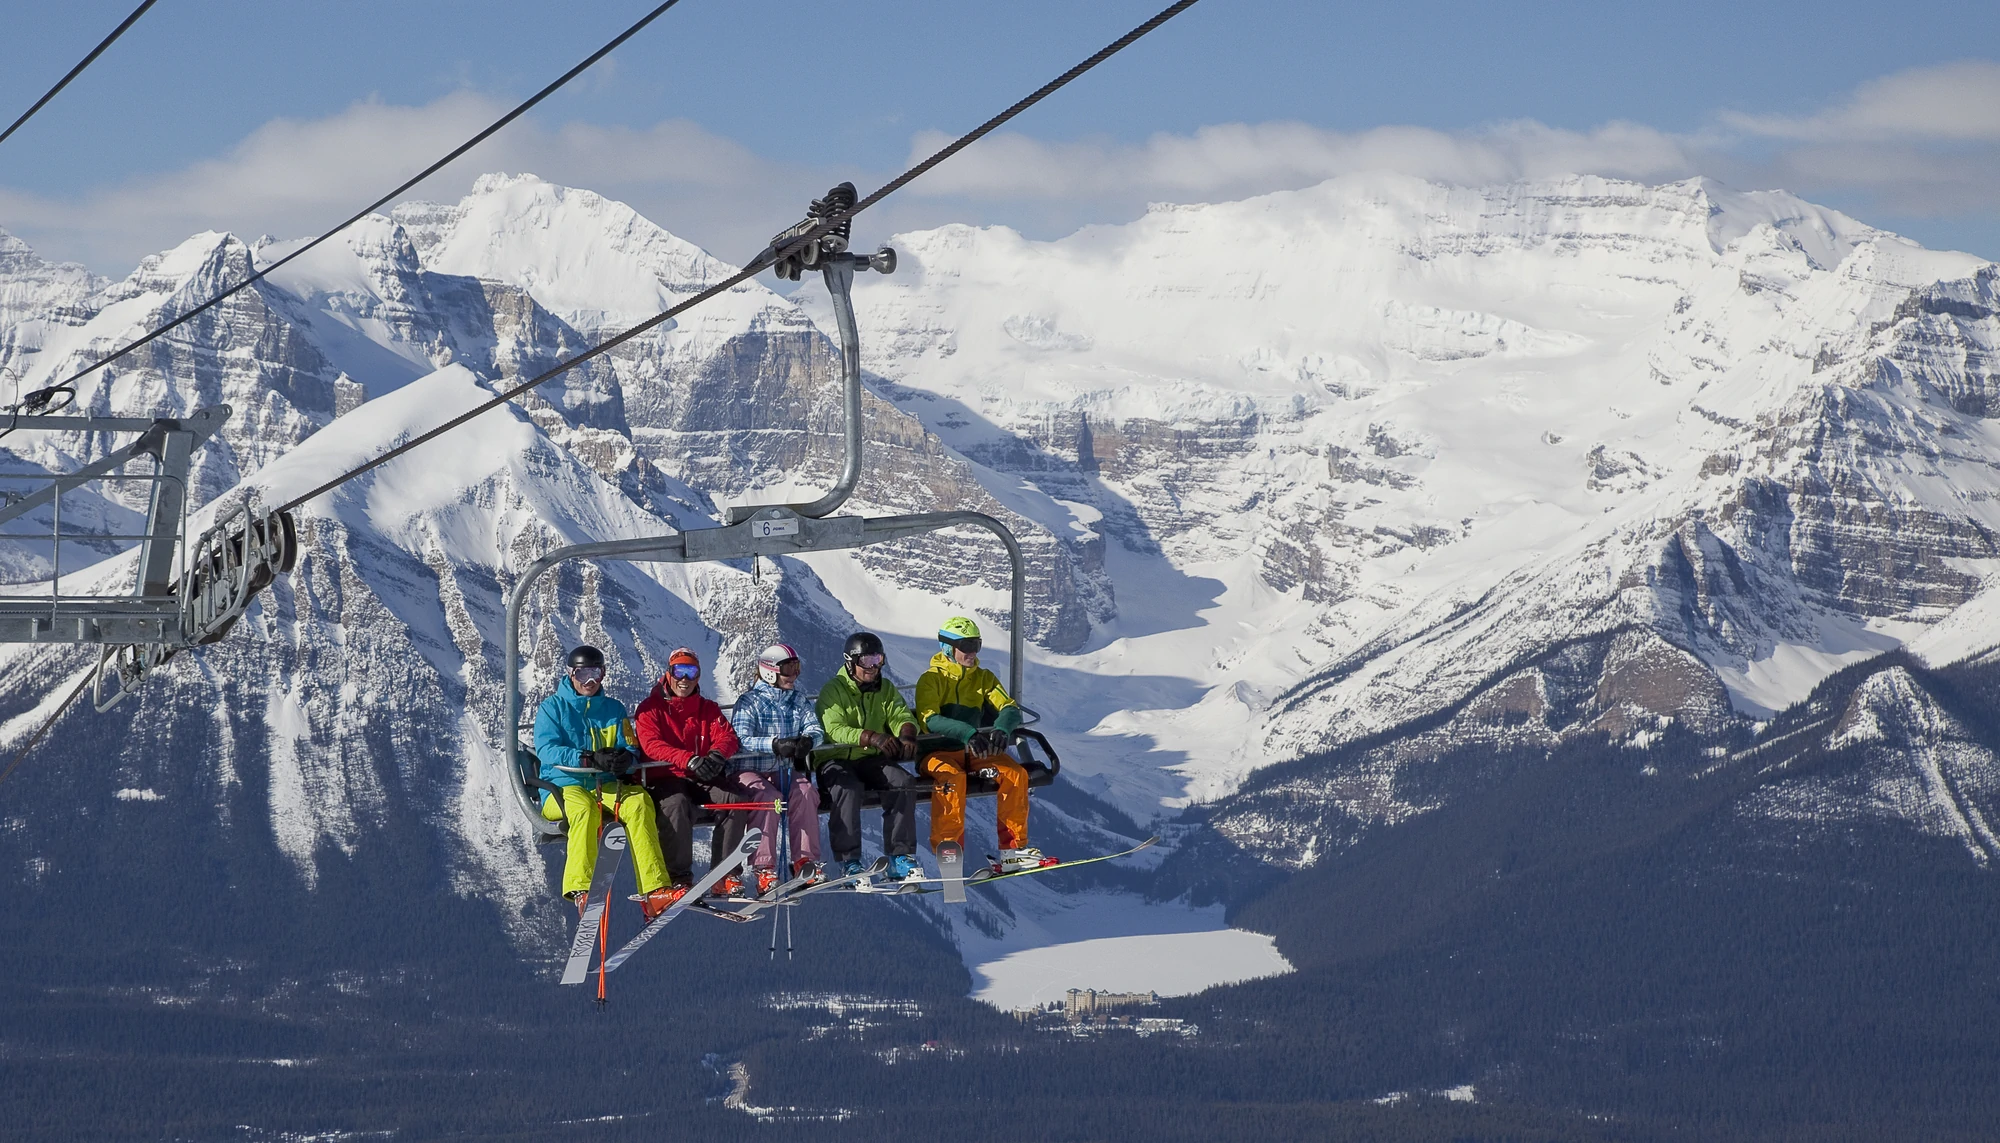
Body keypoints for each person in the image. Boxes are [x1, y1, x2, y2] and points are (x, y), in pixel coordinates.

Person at [532, 644, 681, 918]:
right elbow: (547, 749)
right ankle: (582, 889)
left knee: (638, 803)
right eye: (584, 673)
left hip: (606, 785)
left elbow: (631, 745)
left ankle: (654, 890)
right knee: (583, 811)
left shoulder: (613, 709)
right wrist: (587, 758)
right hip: (563, 786)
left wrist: (626, 758)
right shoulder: (552, 708)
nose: (591, 681)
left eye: (597, 673)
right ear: (571, 674)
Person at [915, 616, 1047, 873]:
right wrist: (967, 733)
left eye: (976, 644)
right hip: (937, 753)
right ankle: (949, 853)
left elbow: (1009, 708)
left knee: (1015, 774)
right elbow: (929, 719)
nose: (972, 652)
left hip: (974, 751)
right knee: (951, 779)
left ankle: (1012, 852)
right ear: (948, 648)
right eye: (966, 645)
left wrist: (1002, 728)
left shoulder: (984, 679)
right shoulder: (930, 680)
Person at [631, 647, 746, 893]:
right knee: (676, 805)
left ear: (698, 676)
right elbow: (651, 746)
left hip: (699, 776)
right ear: (669, 674)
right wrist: (689, 759)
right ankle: (678, 878)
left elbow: (728, 737)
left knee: (734, 800)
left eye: (690, 672)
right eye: (679, 671)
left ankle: (724, 874)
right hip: (664, 777)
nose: (684, 679)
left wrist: (716, 756)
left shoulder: (707, 708)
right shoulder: (650, 709)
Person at [721, 642, 827, 896]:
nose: (794, 676)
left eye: (797, 669)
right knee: (768, 798)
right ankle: (764, 868)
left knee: (805, 792)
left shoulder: (797, 700)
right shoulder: (749, 702)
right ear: (770, 671)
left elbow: (815, 727)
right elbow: (741, 739)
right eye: (788, 670)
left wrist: (808, 741)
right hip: (749, 770)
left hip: (782, 770)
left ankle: (805, 861)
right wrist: (774, 745)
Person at [815, 631, 921, 881]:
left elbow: (899, 713)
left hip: (869, 759)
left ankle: (899, 857)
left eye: (878, 660)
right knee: (848, 790)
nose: (873, 668)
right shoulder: (833, 690)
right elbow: (834, 729)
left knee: (903, 783)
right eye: (867, 661)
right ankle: (849, 862)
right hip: (835, 759)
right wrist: (871, 737)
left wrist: (906, 732)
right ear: (850, 662)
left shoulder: (884, 688)